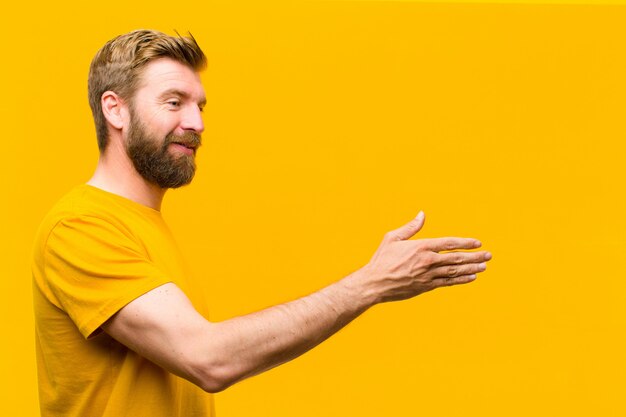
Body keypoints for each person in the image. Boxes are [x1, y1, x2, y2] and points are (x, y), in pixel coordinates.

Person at [32, 29, 492, 417]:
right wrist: (369, 284)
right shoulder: (81, 228)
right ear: (115, 109)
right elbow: (207, 358)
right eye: (174, 102)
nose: (196, 122)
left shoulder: (140, 222)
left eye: (200, 106)